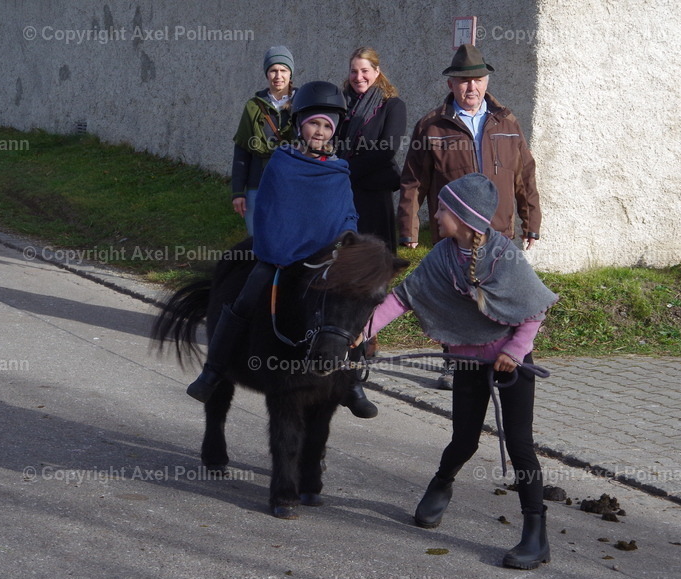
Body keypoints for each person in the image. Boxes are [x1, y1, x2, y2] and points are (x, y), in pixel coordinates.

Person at [363, 173, 558, 569]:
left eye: (443, 209)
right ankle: (441, 484)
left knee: (520, 446)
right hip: (468, 362)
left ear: (466, 218)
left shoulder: (505, 256)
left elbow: (535, 309)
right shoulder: (442, 255)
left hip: (513, 363)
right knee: (464, 440)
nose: (435, 215)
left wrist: (515, 350)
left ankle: (535, 535)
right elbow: (402, 298)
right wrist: (361, 330)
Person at [188, 81, 377, 418]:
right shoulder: (282, 162)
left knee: (349, 307)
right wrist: (279, 250)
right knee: (247, 294)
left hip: (325, 259)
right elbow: (268, 210)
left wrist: (346, 239)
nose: (320, 131)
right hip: (282, 256)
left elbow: (348, 213)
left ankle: (351, 382)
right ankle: (213, 370)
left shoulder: (338, 170)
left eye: (326, 126)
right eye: (314, 123)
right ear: (300, 124)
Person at [398, 43, 542, 389]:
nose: (471, 87)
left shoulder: (506, 122)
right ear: (451, 84)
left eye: (477, 79)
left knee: (500, 296)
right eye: (463, 81)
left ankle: (506, 355)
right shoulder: (432, 126)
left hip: (498, 232)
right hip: (454, 234)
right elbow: (414, 181)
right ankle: (455, 361)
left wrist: (531, 221)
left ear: (486, 81)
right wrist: (408, 228)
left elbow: (524, 174)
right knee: (455, 300)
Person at [336, 47, 406, 253]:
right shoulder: (340, 105)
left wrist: (346, 169)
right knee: (346, 253)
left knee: (375, 254)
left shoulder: (392, 106)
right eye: (353, 71)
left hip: (374, 193)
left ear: (377, 71)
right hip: (343, 191)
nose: (358, 77)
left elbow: (387, 149)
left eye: (364, 71)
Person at [231, 46, 298, 235]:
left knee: (289, 237)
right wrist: (238, 192)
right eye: (273, 70)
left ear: (290, 73)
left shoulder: (302, 102)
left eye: (283, 70)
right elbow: (242, 151)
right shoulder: (253, 106)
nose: (278, 76)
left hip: (292, 183)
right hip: (257, 185)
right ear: (266, 73)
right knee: (258, 238)